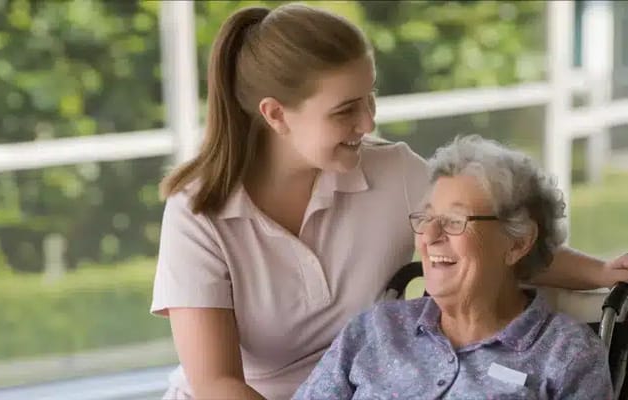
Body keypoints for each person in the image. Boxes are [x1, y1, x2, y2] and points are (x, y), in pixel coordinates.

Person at [149, 3, 628, 400]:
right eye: (345, 110)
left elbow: (485, 236)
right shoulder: (199, 213)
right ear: (276, 115)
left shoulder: (392, 171)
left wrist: (600, 273)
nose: (367, 123)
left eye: (369, 98)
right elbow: (217, 382)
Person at [292, 135, 613, 399]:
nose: (429, 236)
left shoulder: (565, 353)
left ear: (516, 243)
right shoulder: (376, 329)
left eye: (455, 221)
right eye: (426, 217)